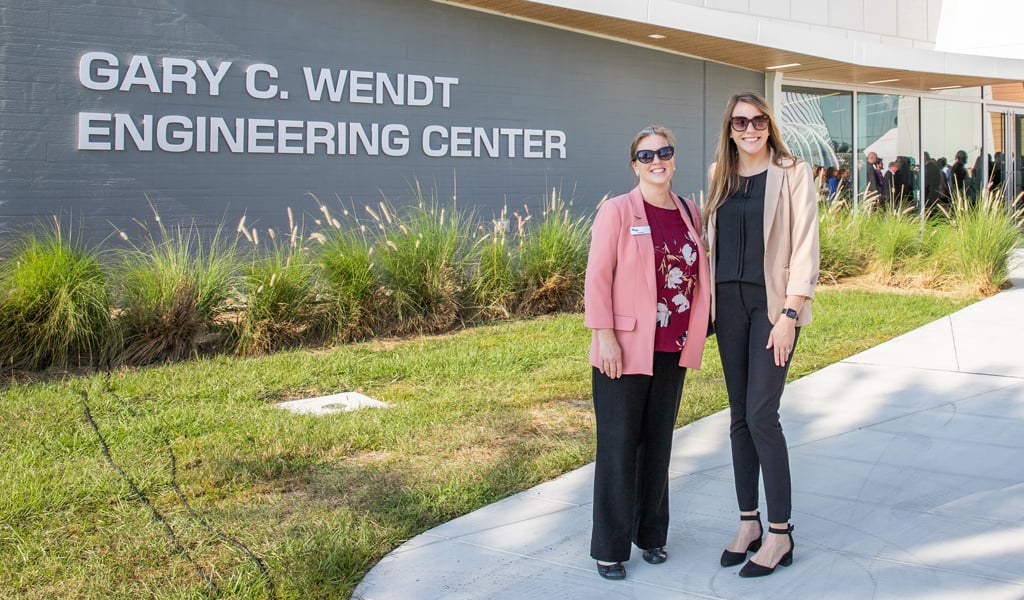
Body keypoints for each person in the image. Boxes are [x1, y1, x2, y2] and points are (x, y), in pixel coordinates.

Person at [584, 125, 712, 580]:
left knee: (658, 445)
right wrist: (604, 337)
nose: (656, 160)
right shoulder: (617, 211)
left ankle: (652, 534)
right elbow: (597, 278)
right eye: (646, 155)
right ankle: (610, 547)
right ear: (634, 164)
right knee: (619, 446)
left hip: (671, 348)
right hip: (623, 347)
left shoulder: (690, 211)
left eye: (664, 151)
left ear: (674, 158)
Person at [704, 92, 819, 578]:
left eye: (757, 120)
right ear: (729, 130)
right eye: (739, 123)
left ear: (769, 125)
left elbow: (805, 245)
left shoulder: (793, 171)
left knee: (761, 415)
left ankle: (781, 532)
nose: (749, 129)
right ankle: (748, 523)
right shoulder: (719, 177)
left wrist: (791, 314)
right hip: (728, 307)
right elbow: (708, 244)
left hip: (772, 309)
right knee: (738, 418)